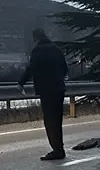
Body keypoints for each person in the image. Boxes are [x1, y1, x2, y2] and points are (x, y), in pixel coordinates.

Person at [18, 28, 69, 161]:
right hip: (59, 89)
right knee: (57, 120)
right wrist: (58, 78)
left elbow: (31, 68)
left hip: (46, 90)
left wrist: (21, 82)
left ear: (36, 38)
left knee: (49, 120)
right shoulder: (57, 49)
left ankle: (57, 150)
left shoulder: (38, 51)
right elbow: (65, 68)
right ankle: (59, 148)